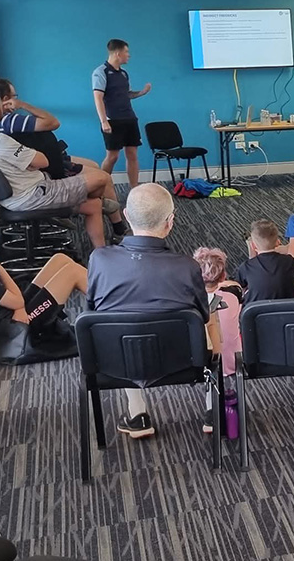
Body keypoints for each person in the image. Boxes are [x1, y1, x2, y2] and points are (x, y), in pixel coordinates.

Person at [87, 183, 210, 439]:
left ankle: (137, 414)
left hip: (113, 361)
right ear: (170, 221)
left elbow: (93, 311)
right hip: (182, 361)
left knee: (120, 327)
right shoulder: (187, 266)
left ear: (127, 216)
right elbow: (203, 316)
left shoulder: (99, 259)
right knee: (210, 320)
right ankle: (212, 410)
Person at [0, 87, 125, 248]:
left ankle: (100, 253)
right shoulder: (0, 142)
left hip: (18, 195)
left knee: (93, 205)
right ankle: (99, 201)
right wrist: (30, 155)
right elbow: (43, 162)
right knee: (102, 178)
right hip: (35, 195)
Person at [0, 78, 123, 215]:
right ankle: (112, 220)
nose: (16, 99)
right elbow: (53, 122)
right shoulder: (11, 121)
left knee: (93, 165)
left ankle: (96, 202)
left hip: (48, 161)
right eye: (15, 96)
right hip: (47, 169)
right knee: (103, 177)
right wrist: (22, 105)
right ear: (6, 99)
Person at [0, 223, 87, 346]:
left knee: (60, 259)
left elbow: (10, 297)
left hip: (12, 314)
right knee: (72, 272)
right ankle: (106, 307)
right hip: (14, 329)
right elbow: (17, 301)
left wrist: (19, 306)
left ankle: (104, 298)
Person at [193, 247, 243, 434]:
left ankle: (211, 410)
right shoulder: (234, 292)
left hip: (202, 361)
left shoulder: (191, 300)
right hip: (235, 358)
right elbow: (232, 285)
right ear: (223, 276)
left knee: (206, 345)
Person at [93, 39, 151, 188]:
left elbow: (127, 94)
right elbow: (98, 98)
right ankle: (100, 188)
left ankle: (134, 189)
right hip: (112, 120)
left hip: (129, 118)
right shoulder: (101, 72)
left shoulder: (124, 74)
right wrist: (103, 121)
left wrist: (142, 92)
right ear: (118, 54)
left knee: (132, 155)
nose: (128, 55)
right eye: (126, 52)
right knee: (112, 156)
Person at [236, 219, 294, 304]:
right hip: (289, 308)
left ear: (253, 246)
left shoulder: (246, 267)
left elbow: (239, 285)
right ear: (278, 242)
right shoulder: (289, 261)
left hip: (258, 312)